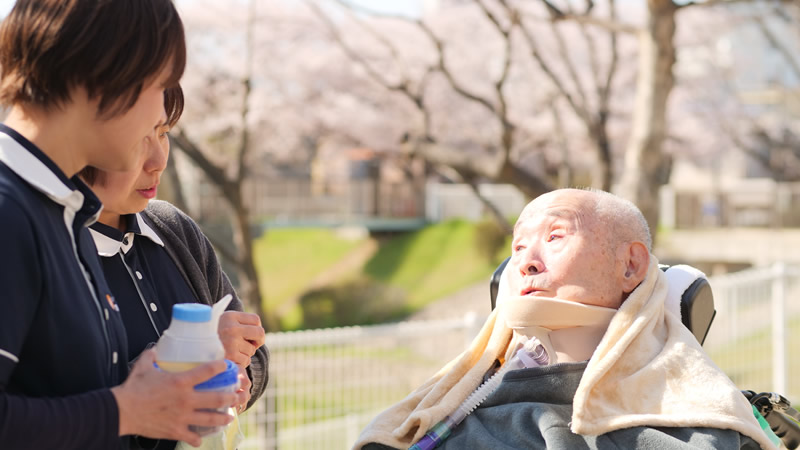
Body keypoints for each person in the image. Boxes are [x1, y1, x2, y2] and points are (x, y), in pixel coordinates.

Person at [0, 1, 245, 448]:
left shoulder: (64, 211)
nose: (160, 117)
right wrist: (128, 409)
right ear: (103, 76)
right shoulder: (10, 211)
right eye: (159, 86)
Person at [355, 188, 774, 449]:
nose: (526, 263)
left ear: (630, 266)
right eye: (518, 247)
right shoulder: (436, 419)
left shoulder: (708, 431)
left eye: (555, 237)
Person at [79, 85, 269, 450]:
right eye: (138, 139)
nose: (158, 160)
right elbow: (60, 405)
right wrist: (194, 359)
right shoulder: (52, 248)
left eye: (164, 134)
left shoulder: (173, 228)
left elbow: (252, 354)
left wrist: (236, 379)